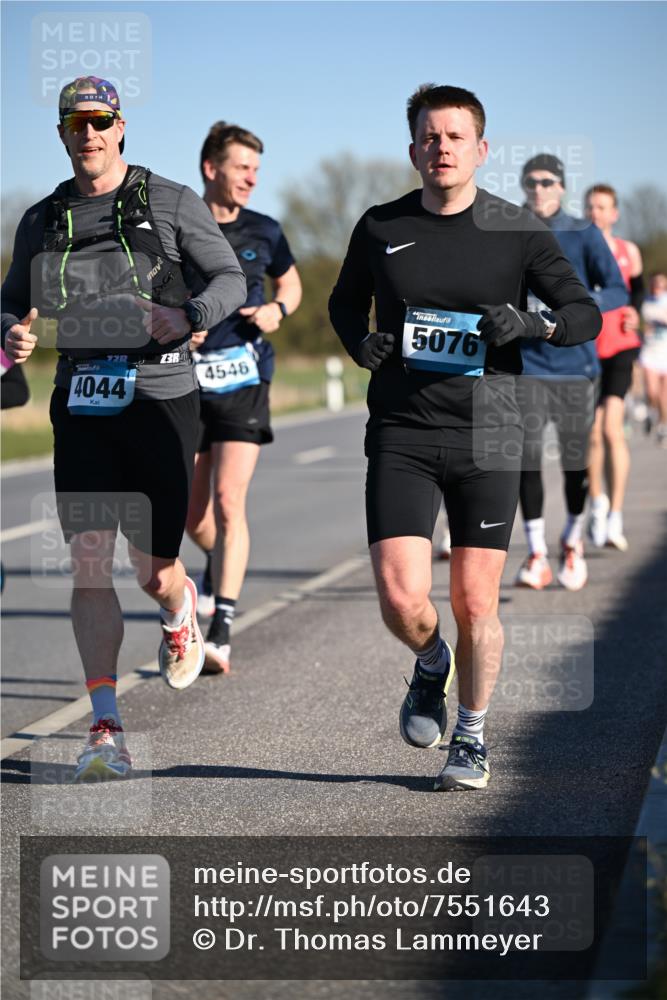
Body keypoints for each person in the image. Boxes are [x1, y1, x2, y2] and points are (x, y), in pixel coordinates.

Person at [329, 84, 600, 791]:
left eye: (455, 137)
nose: (440, 147)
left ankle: (472, 737)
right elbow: (340, 304)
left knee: (476, 600)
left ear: (480, 150)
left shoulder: (517, 230)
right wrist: (363, 343)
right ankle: (428, 663)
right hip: (403, 430)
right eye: (429, 136)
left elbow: (582, 314)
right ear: (412, 148)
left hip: (491, 431)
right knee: (399, 596)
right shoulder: (379, 225)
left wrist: (532, 325)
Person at [1, 77, 246, 781]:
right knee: (87, 561)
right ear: (60, 132)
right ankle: (104, 726)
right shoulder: (43, 217)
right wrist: (11, 336)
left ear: (119, 126)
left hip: (161, 393)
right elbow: (10, 303)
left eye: (100, 120)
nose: (88, 134)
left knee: (152, 570)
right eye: (75, 123)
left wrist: (190, 316)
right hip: (81, 397)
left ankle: (179, 610)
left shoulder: (168, 200)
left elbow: (229, 277)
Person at [185, 122, 301, 674]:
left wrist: (279, 309)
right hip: (185, 381)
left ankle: (221, 628)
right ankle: (215, 560)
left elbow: (292, 284)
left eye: (257, 169)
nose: (252, 179)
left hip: (244, 377)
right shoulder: (176, 227)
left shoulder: (266, 229)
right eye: (241, 168)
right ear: (212, 168)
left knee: (231, 500)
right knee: (193, 517)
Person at [514, 155, 627, 591]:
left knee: (575, 463)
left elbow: (616, 286)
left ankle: (573, 539)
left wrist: (579, 311)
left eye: (547, 182)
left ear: (561, 187)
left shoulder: (584, 232)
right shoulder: (510, 229)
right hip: (525, 364)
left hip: (575, 366)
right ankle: (537, 552)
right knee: (526, 459)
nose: (539, 190)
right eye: (531, 183)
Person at [584, 184, 644, 550]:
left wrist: (635, 313)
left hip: (620, 346)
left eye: (602, 207)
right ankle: (597, 503)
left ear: (614, 213)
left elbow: (636, 293)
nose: (595, 212)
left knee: (612, 429)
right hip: (586, 349)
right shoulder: (576, 250)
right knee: (590, 433)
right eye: (590, 206)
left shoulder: (628, 251)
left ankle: (616, 514)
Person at [640, 272, 667, 447]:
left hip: (665, 352)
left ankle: (663, 426)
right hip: (649, 352)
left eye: (661, 284)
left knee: (664, 395)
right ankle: (651, 412)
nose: (657, 287)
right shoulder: (645, 302)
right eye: (654, 284)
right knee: (651, 392)